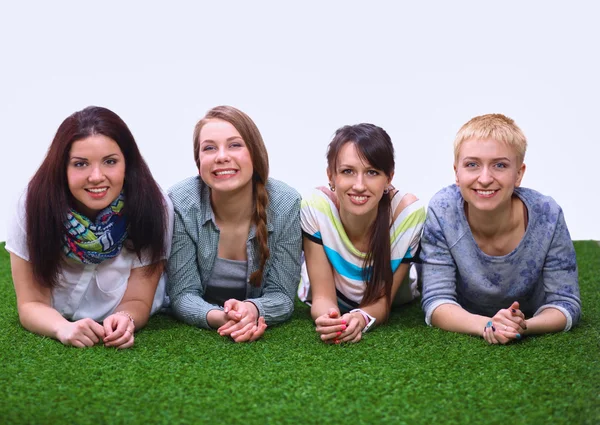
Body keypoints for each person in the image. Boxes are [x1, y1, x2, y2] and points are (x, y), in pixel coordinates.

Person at [6, 106, 173, 349]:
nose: (96, 176)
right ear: (62, 168)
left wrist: (125, 319)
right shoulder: (31, 204)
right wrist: (62, 327)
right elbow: (31, 303)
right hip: (55, 316)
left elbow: (138, 298)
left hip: (124, 311)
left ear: (128, 164)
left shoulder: (155, 205)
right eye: (80, 164)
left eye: (110, 162)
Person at [420, 114, 581, 344]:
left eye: (500, 165)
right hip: (468, 317)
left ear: (518, 174)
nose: (485, 178)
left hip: (527, 316)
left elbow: (566, 303)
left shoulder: (548, 214)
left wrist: (522, 326)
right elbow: (436, 301)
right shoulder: (443, 209)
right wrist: (487, 325)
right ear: (457, 172)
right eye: (472, 164)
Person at [167, 105, 302, 343]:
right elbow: (183, 294)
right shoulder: (180, 202)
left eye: (235, 145)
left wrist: (253, 310)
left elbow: (281, 296)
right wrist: (220, 317)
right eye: (209, 148)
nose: (221, 156)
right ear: (199, 162)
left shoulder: (285, 204)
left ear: (255, 154)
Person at [299, 123, 426, 344]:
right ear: (331, 175)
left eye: (372, 172)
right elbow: (322, 296)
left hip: (399, 301)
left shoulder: (407, 213)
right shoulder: (316, 206)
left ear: (388, 178)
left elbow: (383, 303)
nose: (359, 185)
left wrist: (361, 317)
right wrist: (329, 320)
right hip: (328, 295)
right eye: (348, 171)